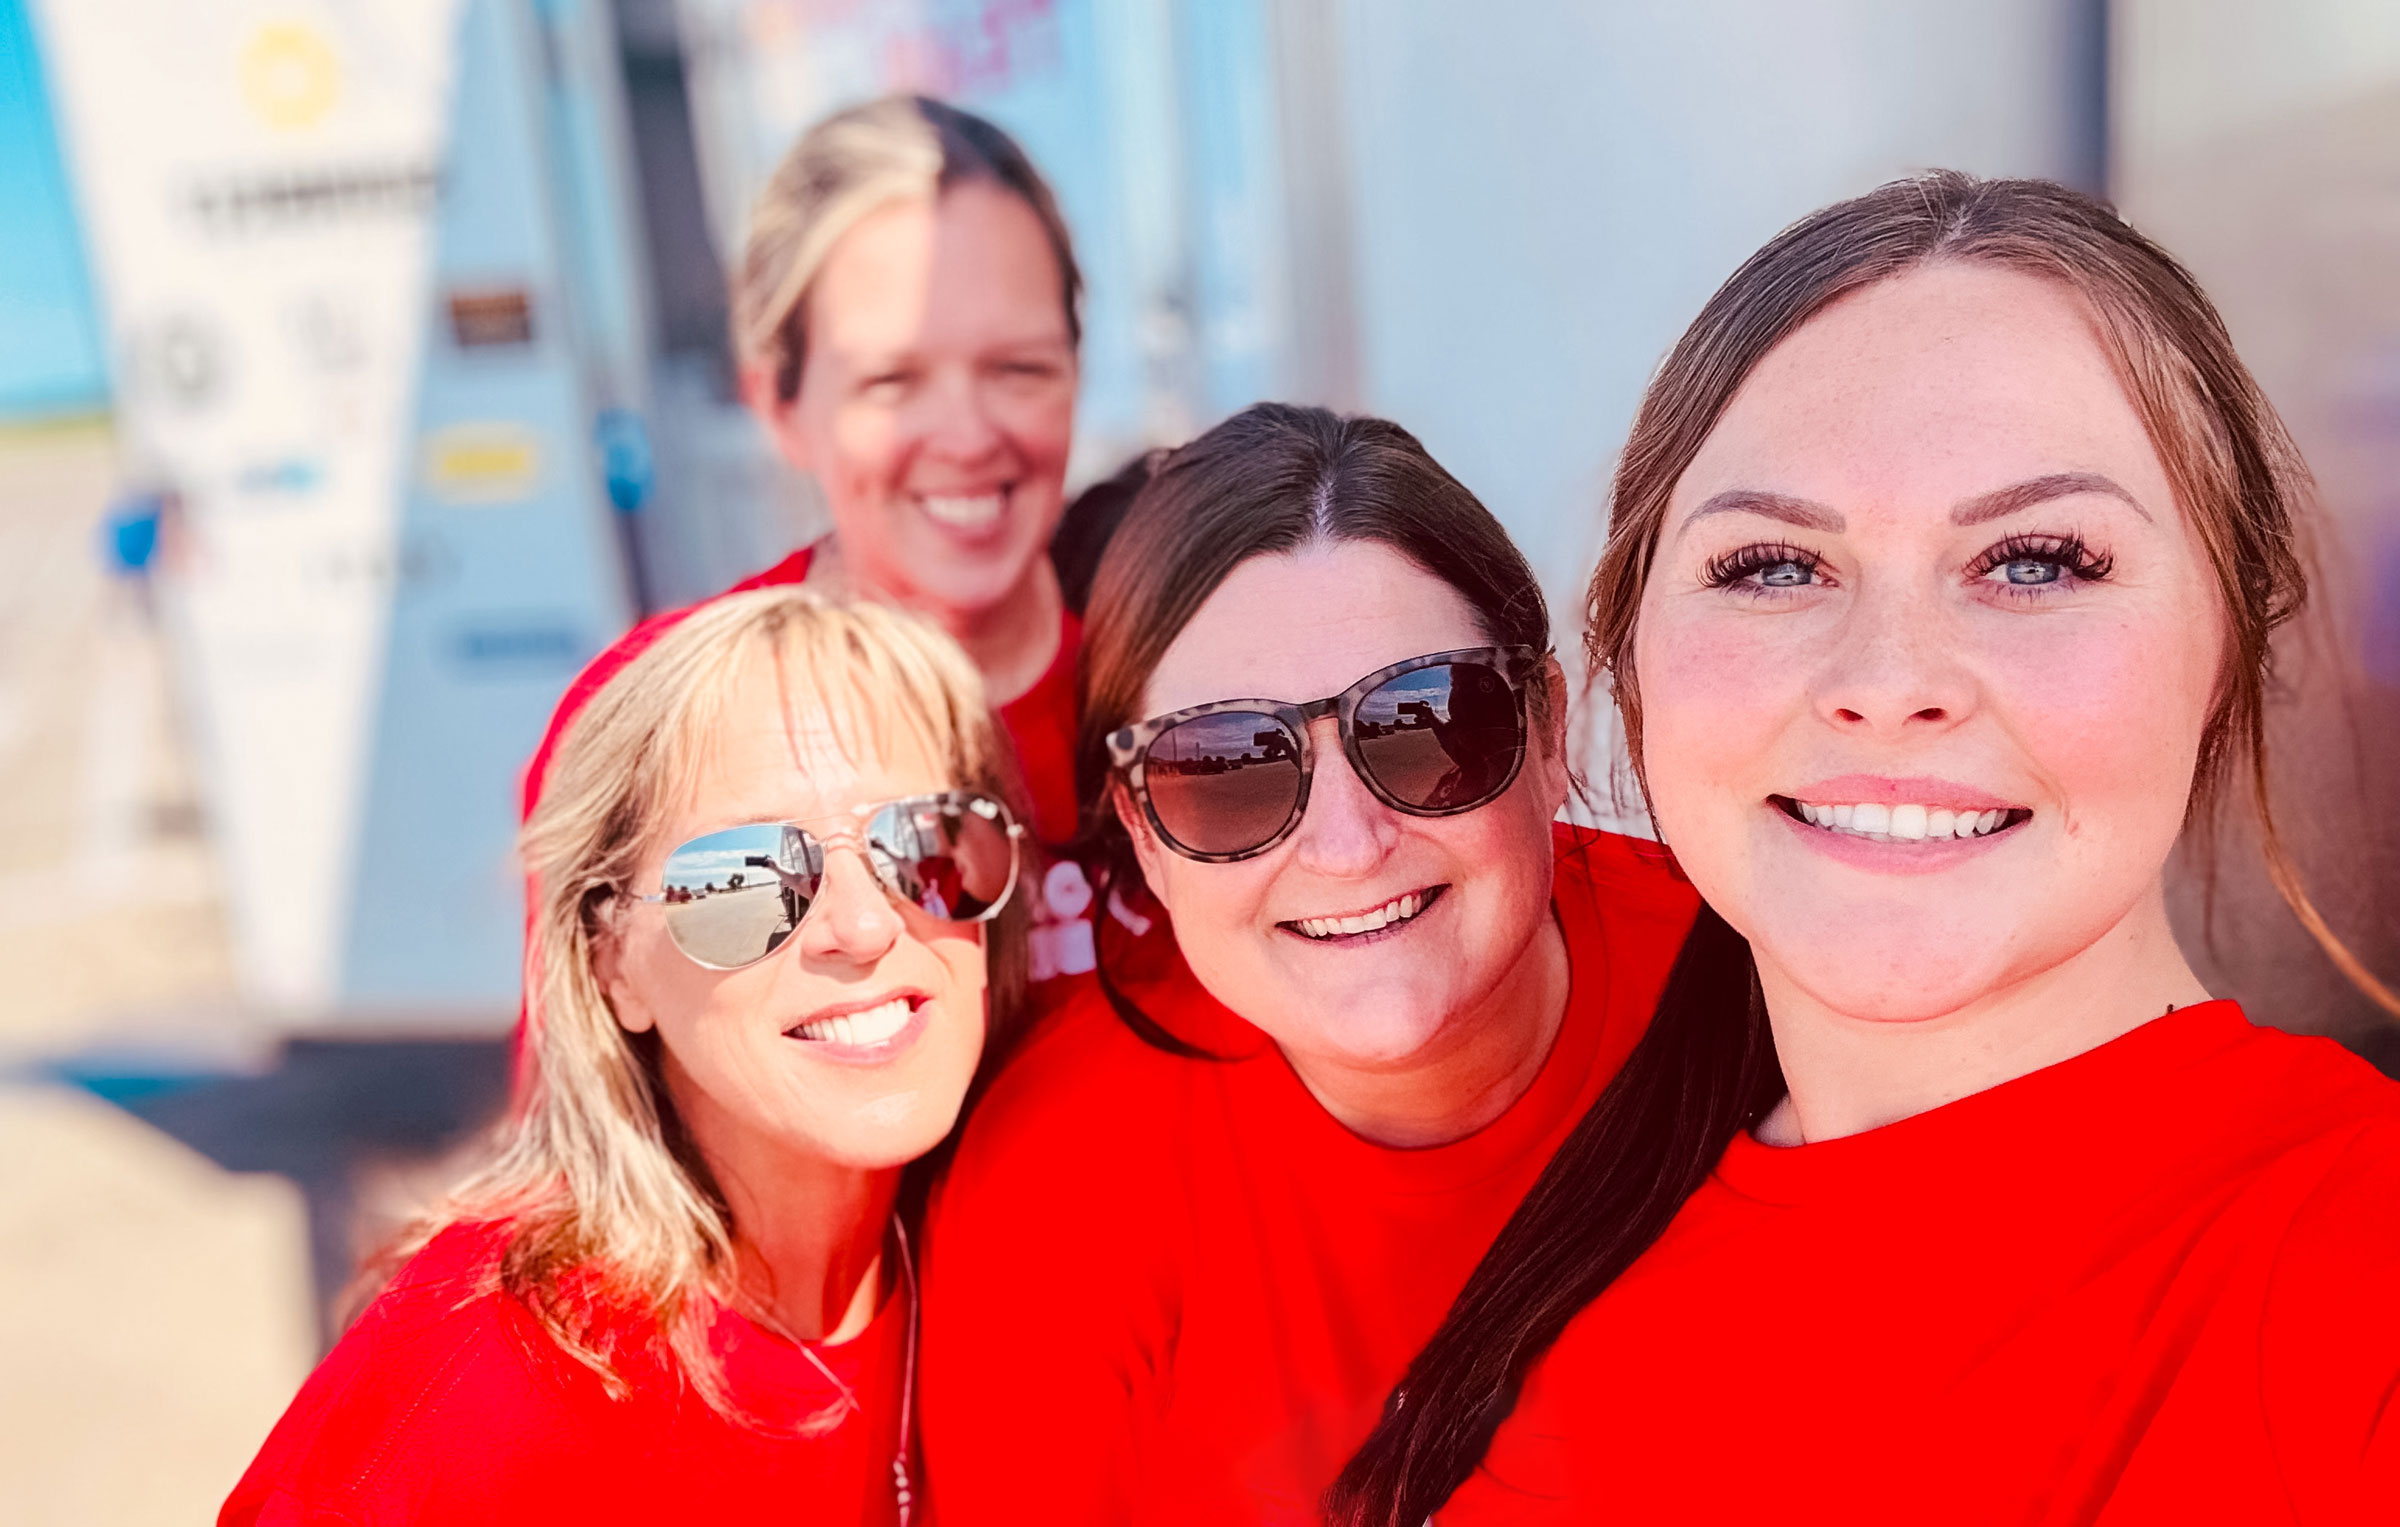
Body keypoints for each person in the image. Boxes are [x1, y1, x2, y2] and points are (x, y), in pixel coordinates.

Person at [1328, 172, 2400, 1527]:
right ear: (1627, 655)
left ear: (2224, 645)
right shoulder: (1569, 1229)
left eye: (2037, 559)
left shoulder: (2357, 1270)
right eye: (1774, 566)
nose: (1888, 681)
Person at [917, 403, 1704, 1524]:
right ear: (1143, 834)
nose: (1346, 844)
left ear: (1545, 733)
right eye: (1226, 769)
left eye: (1425, 723)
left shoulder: (1756, 990)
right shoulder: (1061, 1182)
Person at [223, 590, 1029, 1525]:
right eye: (745, 876)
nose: (864, 924)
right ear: (612, 964)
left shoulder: (1018, 1276)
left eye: (923, 841)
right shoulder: (489, 1380)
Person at [525, 93, 1099, 985]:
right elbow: (589, 1070)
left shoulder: (1185, 675)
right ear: (779, 405)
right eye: (891, 381)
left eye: (1019, 368)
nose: (966, 436)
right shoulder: (661, 724)